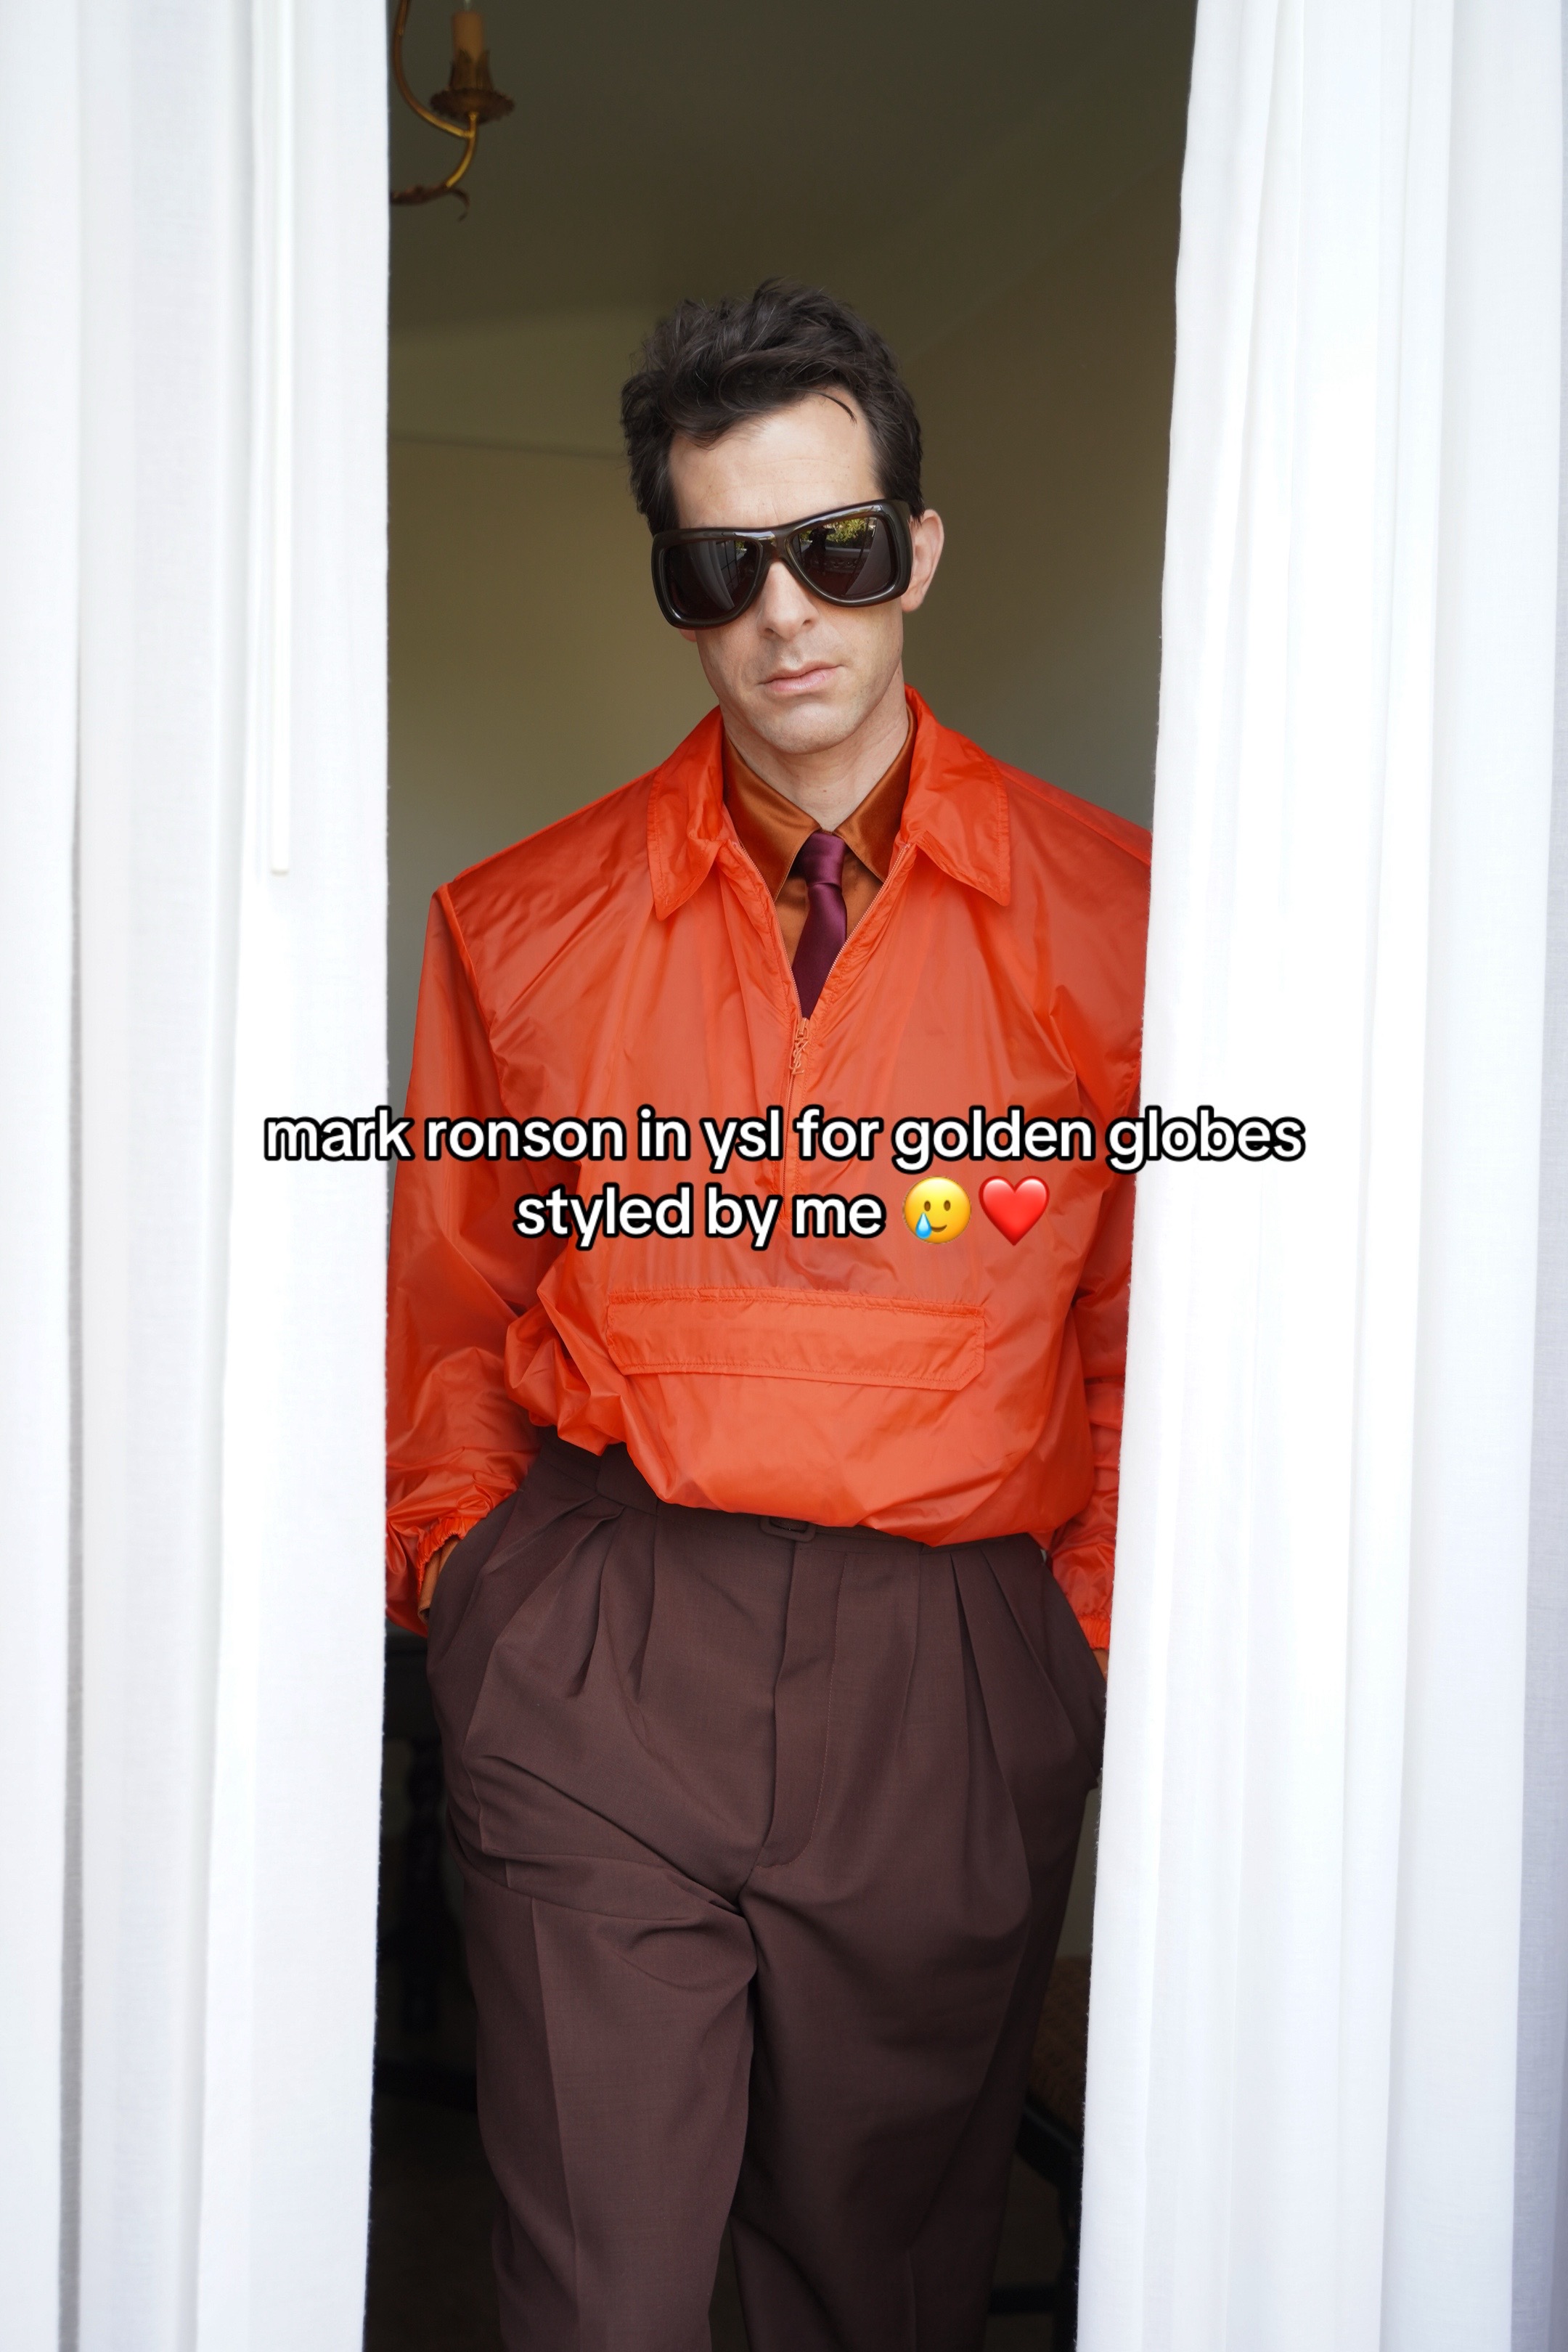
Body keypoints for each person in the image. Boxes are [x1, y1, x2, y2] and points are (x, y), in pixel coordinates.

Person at [385, 280, 1149, 2352]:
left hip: (954, 1669)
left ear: (920, 549)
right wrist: (478, 1581)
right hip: (604, 1642)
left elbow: (1138, 1338)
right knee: (600, 2296)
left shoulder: (1127, 920)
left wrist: (1066, 1651)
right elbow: (448, 1303)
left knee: (874, 2295)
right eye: (720, 568)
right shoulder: (516, 925)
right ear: (675, 592)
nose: (785, 613)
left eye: (836, 546)